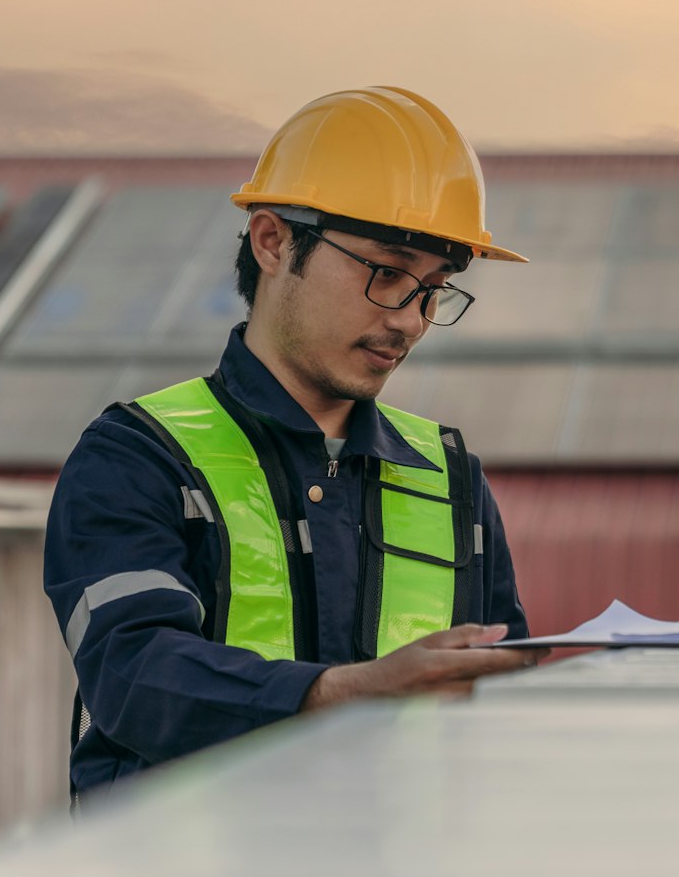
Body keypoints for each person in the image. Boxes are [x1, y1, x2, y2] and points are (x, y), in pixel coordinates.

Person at [44, 87, 543, 802]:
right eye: (387, 273)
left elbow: (498, 699)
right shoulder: (138, 455)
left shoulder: (449, 474)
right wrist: (337, 693)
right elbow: (132, 673)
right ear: (273, 242)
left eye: (434, 290)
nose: (410, 322)